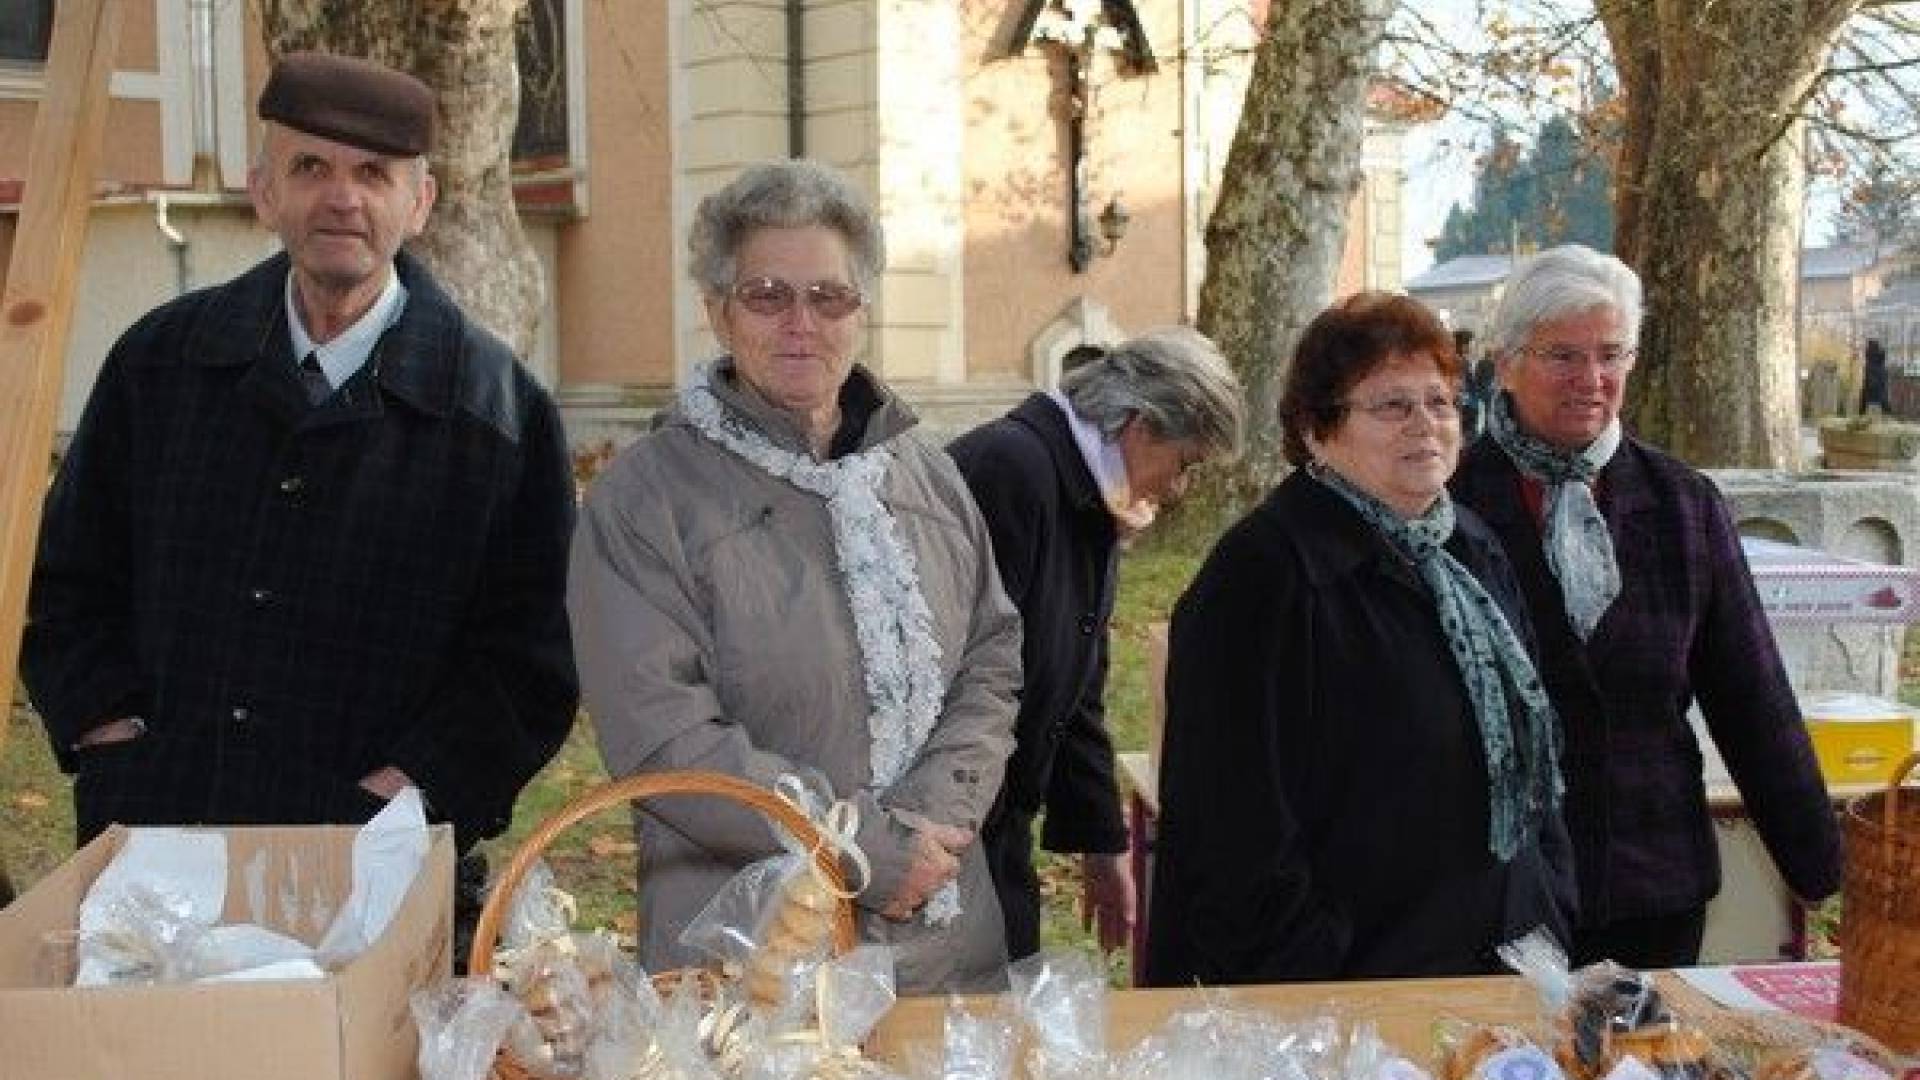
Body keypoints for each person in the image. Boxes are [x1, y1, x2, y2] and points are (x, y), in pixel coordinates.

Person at [22, 54, 578, 870]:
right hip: (152, 849)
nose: (342, 197)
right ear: (264, 191)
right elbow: (66, 580)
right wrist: (111, 734)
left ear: (419, 202)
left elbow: (530, 662)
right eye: (310, 166)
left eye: (374, 173)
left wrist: (409, 791)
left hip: (372, 868)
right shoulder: (159, 365)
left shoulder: (498, 415)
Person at [568, 159, 1022, 992]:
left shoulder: (927, 474)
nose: (801, 324)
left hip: (947, 950)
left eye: (829, 297)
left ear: (862, 311)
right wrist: (865, 851)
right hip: (750, 967)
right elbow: (664, 735)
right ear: (718, 311)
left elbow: (991, 659)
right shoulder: (645, 498)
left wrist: (934, 819)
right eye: (767, 295)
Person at [1142, 292, 1574, 986]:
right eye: (1392, 405)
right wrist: (1313, 968)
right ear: (1317, 430)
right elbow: (1231, 821)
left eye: (1440, 402)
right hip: (1347, 987)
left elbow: (1536, 745)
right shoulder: (1264, 574)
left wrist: (1549, 898)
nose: (1426, 425)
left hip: (1505, 961)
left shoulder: (1472, 547)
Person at [1451, 244, 1842, 969]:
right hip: (1495, 894)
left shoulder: (1683, 503)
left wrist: (1823, 868)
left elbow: (1753, 697)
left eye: (1611, 354)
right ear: (1505, 363)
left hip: (1654, 886)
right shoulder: (1446, 506)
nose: (1591, 379)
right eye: (1562, 356)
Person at [948, 329, 1244, 960]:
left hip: (992, 832)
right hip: (946, 838)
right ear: (1141, 427)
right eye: (1185, 463)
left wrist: (1101, 842)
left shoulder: (1086, 494)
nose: (1179, 489)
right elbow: (962, 676)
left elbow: (1078, 684)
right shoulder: (1011, 471)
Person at [1860, 337, 1890, 415]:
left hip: (1872, 400)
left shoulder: (1870, 365)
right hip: (1879, 399)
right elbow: (1883, 385)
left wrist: (1862, 406)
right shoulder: (1881, 365)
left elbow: (1868, 385)